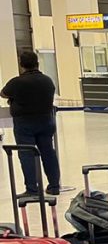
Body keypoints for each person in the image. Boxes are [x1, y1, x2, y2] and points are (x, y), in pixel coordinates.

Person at [1, 50, 60, 196]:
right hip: (46, 120)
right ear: (37, 63)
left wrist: (14, 100)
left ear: (21, 64)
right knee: (48, 153)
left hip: (24, 123)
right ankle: (54, 186)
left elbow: (3, 93)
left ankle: (32, 189)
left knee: (27, 153)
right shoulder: (47, 80)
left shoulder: (17, 82)